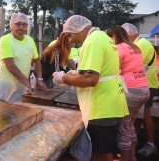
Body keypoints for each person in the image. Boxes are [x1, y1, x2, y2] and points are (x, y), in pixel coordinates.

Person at [53, 15, 129, 161]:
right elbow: (100, 71)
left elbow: (90, 79)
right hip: (111, 102)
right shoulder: (102, 36)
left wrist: (63, 78)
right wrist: (76, 73)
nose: (71, 40)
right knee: (104, 150)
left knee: (99, 153)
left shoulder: (92, 41)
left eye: (70, 35)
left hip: (102, 107)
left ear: (78, 28)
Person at [107, 26, 150, 161]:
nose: (111, 40)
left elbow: (116, 69)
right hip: (143, 89)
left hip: (130, 91)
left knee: (123, 127)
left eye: (111, 37)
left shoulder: (120, 47)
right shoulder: (136, 48)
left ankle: (124, 159)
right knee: (130, 125)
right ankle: (132, 156)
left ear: (116, 36)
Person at [122, 23, 158, 157]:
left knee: (145, 115)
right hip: (144, 84)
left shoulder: (140, 45)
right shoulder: (141, 43)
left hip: (146, 84)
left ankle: (151, 144)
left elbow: (128, 64)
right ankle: (133, 143)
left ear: (129, 35)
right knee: (136, 118)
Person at [0, 12, 45, 103]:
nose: (21, 27)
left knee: (20, 111)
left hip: (22, 84)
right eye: (17, 24)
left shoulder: (30, 40)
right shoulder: (5, 40)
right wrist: (27, 82)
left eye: (24, 24)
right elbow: (10, 65)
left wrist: (40, 79)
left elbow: (36, 61)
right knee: (4, 112)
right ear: (11, 25)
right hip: (7, 85)